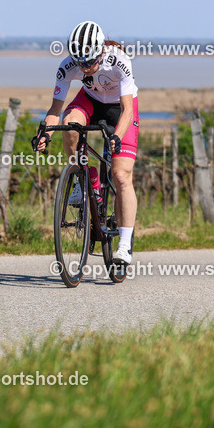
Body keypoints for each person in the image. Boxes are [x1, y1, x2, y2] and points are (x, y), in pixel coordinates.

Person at [35, 20, 140, 264]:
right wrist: (46, 134)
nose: (84, 68)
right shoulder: (67, 67)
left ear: (101, 51)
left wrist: (116, 135)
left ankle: (124, 245)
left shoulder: (119, 61)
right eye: (80, 63)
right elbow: (55, 109)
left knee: (121, 175)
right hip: (91, 101)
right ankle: (85, 176)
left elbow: (126, 111)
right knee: (70, 122)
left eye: (90, 62)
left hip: (119, 108)